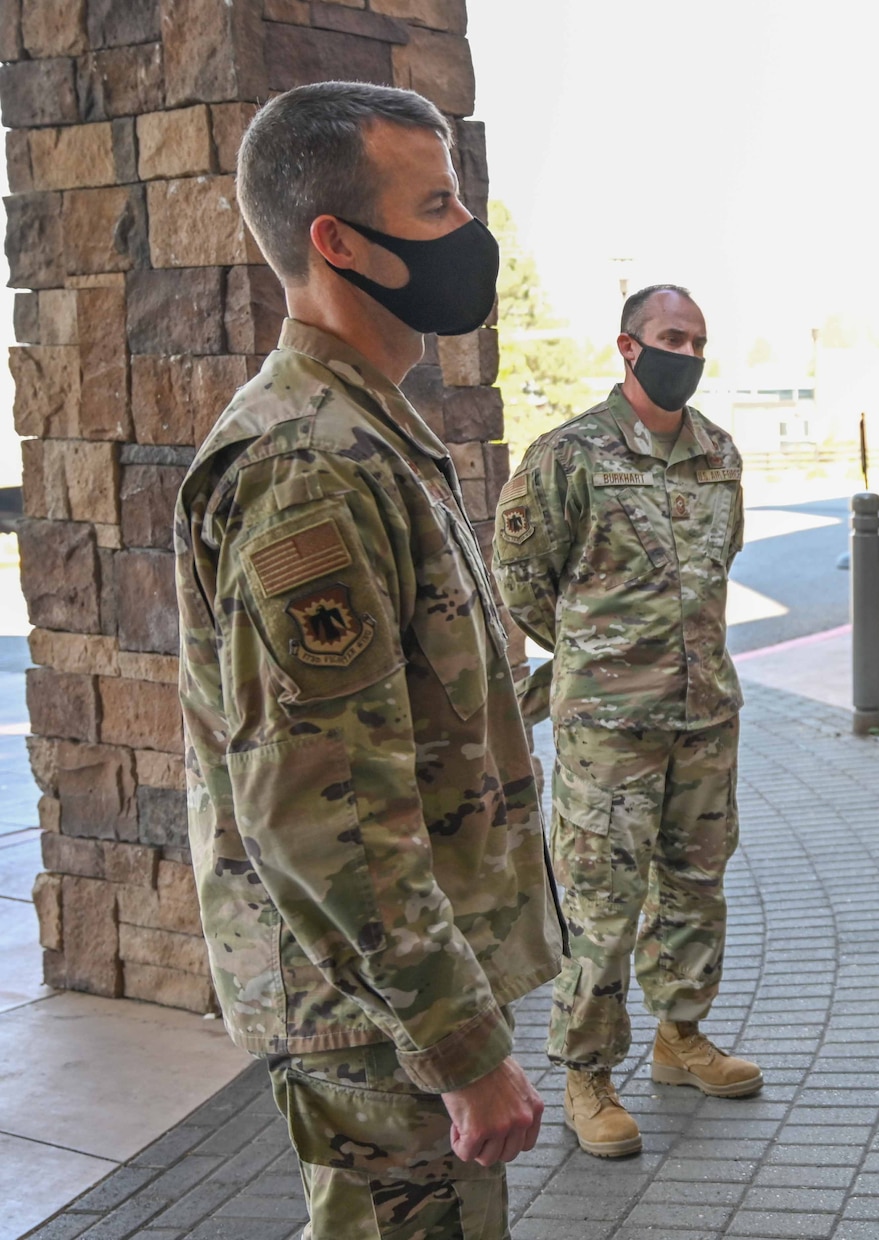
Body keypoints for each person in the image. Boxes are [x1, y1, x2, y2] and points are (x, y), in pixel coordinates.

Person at [175, 82, 562, 1239]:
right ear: (337, 242)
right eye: (436, 204)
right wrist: (460, 1051)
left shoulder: (367, 430)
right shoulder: (311, 465)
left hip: (400, 993)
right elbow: (319, 808)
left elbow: (421, 704)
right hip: (380, 1017)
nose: (468, 233)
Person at [491, 283, 759, 1160]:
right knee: (604, 903)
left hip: (704, 715)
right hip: (609, 726)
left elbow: (720, 565)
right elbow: (525, 578)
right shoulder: (569, 455)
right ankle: (585, 1072)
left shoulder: (719, 452)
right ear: (628, 347)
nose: (687, 351)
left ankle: (680, 1039)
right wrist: (595, 654)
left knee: (695, 885)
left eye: (699, 339)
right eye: (671, 335)